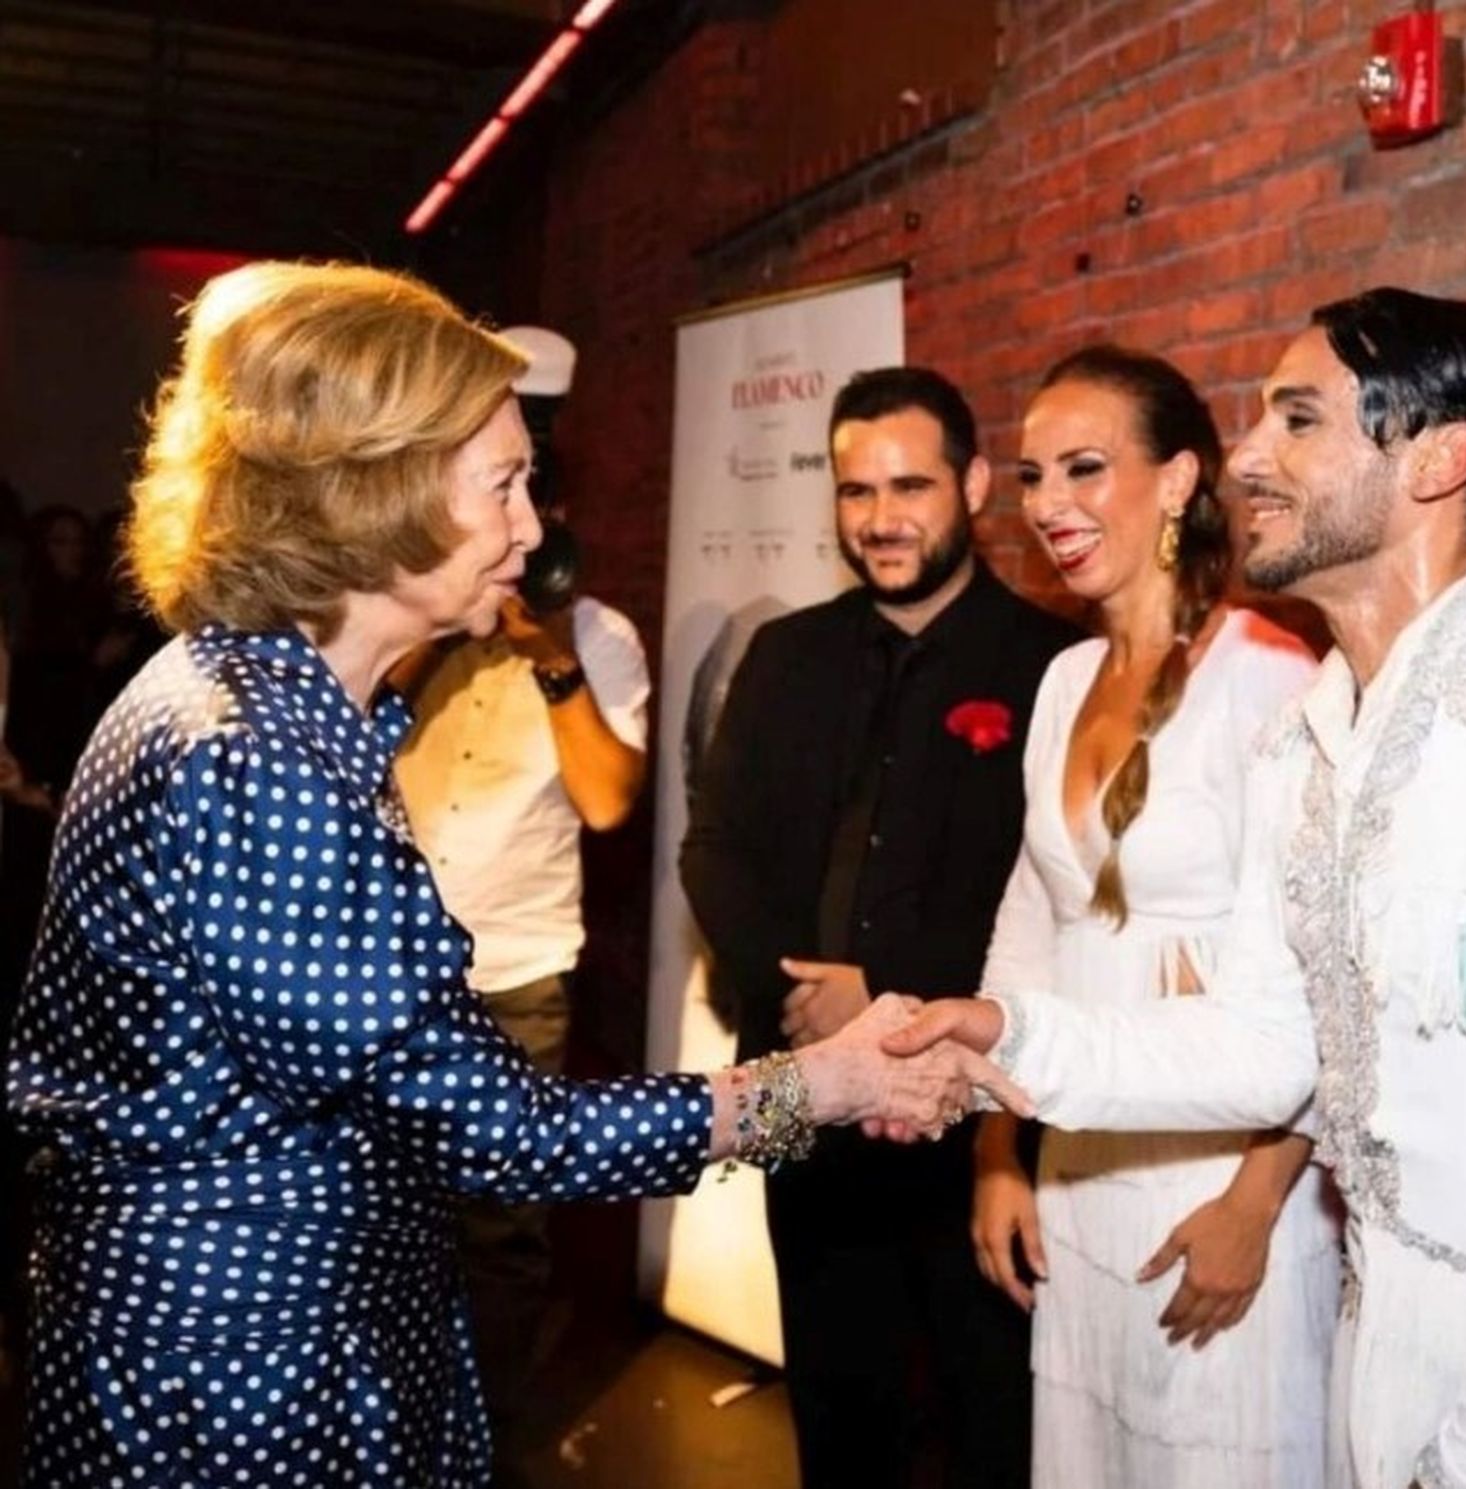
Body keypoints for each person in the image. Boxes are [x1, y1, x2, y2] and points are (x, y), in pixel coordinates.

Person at [2, 261, 1021, 1489]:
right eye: (503, 485)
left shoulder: (270, 706)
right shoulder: (256, 757)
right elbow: (503, 1133)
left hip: (290, 1342)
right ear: (375, 491)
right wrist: (823, 1084)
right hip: (246, 1384)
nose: (533, 530)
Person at [888, 288, 1466, 1489]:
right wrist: (1005, 1037)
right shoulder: (1308, 740)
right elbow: (1266, 1049)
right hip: (1373, 1343)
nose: (1246, 459)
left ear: (1438, 461)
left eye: (1297, 421)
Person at [681, 366, 1081, 1489]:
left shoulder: (1052, 665)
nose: (880, 517)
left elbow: (1046, 896)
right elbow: (713, 849)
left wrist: (885, 992)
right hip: (801, 1093)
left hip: (976, 1117)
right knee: (833, 1404)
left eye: (910, 487)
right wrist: (805, 996)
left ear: (975, 485)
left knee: (988, 1415)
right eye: (856, 491)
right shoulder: (783, 655)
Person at [973, 346, 1340, 1488]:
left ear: (1178, 479)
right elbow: (1030, 920)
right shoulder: (1061, 680)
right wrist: (997, 1148)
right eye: (1032, 477)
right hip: (1079, 1163)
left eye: (1084, 467)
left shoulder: (1268, 674)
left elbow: (1327, 976)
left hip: (1220, 1175)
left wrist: (1257, 1202)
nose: (1050, 505)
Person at [389, 324, 650, 1483]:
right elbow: (347, 734)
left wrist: (547, 653)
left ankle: (479, 1445)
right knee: (387, 1220)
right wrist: (441, 635)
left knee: (501, 1236)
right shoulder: (413, 626)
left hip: (517, 974)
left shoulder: (599, 640)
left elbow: (607, 800)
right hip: (392, 972)